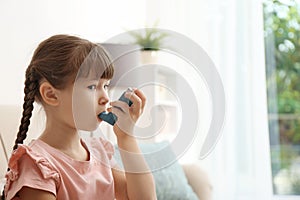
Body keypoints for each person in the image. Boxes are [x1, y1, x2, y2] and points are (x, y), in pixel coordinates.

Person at [1, 34, 156, 200]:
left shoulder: (100, 152)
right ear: (51, 95)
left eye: (105, 86)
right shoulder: (37, 165)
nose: (105, 98)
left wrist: (127, 138)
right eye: (92, 86)